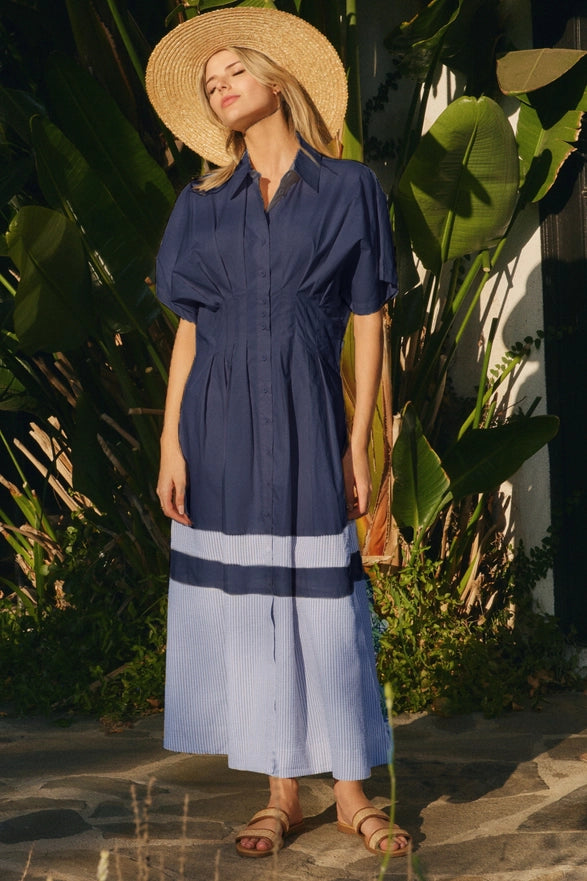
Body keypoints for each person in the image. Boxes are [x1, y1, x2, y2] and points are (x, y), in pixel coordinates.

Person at [146, 7, 411, 860]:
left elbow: (367, 319)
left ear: (275, 78)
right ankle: (278, 795)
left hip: (307, 412)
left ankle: (350, 792)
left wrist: (360, 438)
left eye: (231, 70)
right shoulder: (203, 203)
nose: (219, 86)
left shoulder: (347, 190)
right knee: (250, 608)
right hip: (216, 421)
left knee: (325, 610)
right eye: (209, 81)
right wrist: (169, 442)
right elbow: (190, 327)